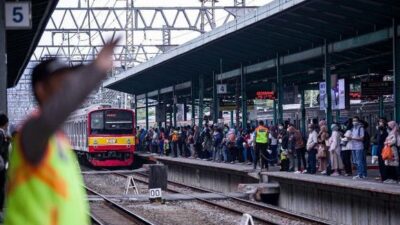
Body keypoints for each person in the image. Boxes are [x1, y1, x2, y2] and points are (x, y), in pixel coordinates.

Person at [4, 40, 117, 225]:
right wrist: (95, 70)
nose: (69, 87)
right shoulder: (32, 131)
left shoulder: (57, 139)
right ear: (41, 89)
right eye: (62, 82)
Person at [0, 114, 10, 219]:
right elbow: (1, 150)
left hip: (2, 165)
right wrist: (7, 142)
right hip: (1, 166)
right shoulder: (1, 134)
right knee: (1, 188)